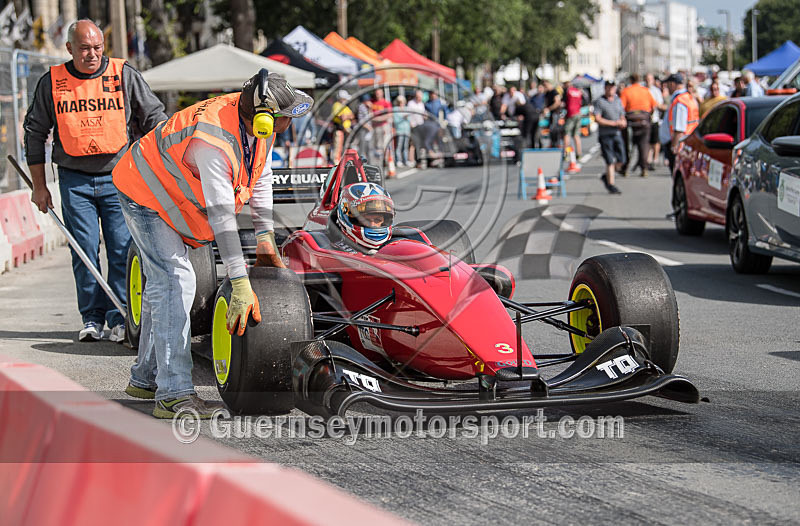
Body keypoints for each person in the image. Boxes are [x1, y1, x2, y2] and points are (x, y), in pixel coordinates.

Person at [112, 69, 313, 418]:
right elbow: (222, 219)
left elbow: (260, 175)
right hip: (144, 192)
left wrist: (265, 238)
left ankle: (144, 378)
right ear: (264, 118)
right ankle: (174, 394)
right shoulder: (214, 140)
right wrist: (239, 284)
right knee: (177, 281)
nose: (292, 121)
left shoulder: (257, 127)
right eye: (287, 115)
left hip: (171, 199)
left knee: (165, 286)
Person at [23, 19, 167, 343]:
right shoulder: (52, 83)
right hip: (75, 180)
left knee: (120, 249)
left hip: (119, 177)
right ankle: (91, 318)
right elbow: (35, 132)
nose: (92, 54)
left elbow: (155, 119)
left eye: (97, 47)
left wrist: (157, 166)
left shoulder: (123, 75)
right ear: (70, 48)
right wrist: (39, 185)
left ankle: (119, 315)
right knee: (84, 250)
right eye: (84, 48)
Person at [331, 182, 395, 254]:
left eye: (378, 220)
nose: (372, 224)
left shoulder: (397, 243)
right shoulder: (331, 249)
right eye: (365, 220)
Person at [619, 73, 657, 177]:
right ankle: (644, 168)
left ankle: (626, 167)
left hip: (631, 121)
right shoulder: (645, 91)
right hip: (644, 120)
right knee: (644, 145)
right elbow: (653, 106)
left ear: (630, 80)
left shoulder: (626, 91)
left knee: (628, 146)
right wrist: (649, 116)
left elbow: (621, 107)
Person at [664, 72, 699, 175]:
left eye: (668, 85)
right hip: (688, 143)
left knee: (678, 177)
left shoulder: (680, 101)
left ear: (672, 84)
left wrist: (674, 146)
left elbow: (679, 128)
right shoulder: (688, 98)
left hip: (680, 145)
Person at [593, 80, 625, 194]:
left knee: (622, 159)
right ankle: (611, 184)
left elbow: (622, 115)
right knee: (610, 160)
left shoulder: (618, 100)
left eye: (613, 87)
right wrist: (613, 123)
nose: (611, 90)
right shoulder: (599, 101)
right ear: (605, 88)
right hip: (605, 134)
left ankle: (606, 176)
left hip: (617, 133)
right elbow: (597, 118)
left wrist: (622, 122)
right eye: (609, 87)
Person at [646, 73, 665, 171]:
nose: (648, 81)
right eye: (647, 79)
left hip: (655, 118)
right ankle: (648, 159)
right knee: (648, 141)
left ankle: (655, 158)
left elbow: (660, 104)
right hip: (645, 119)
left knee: (655, 140)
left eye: (650, 79)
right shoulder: (643, 90)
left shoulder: (656, 91)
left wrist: (654, 105)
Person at [562, 79, 585, 159]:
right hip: (578, 113)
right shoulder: (578, 91)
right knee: (576, 135)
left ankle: (566, 154)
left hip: (571, 113)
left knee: (566, 134)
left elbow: (564, 103)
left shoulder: (568, 91)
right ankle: (579, 154)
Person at [331, 89, 354, 163]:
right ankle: (336, 164)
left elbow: (352, 116)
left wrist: (346, 116)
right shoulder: (337, 105)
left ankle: (343, 163)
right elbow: (341, 116)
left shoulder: (345, 107)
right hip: (339, 129)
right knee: (338, 148)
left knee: (344, 148)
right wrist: (347, 116)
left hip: (345, 131)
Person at [371, 88, 392, 164]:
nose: (377, 94)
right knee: (376, 145)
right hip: (374, 127)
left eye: (379, 93)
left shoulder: (386, 103)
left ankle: (385, 161)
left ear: (382, 93)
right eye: (376, 93)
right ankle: (377, 161)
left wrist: (378, 119)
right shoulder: (372, 102)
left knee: (384, 144)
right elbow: (370, 114)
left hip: (383, 126)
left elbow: (389, 114)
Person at [392, 95, 411, 167]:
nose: (401, 103)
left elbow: (409, 120)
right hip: (399, 130)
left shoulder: (406, 109)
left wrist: (406, 117)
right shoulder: (395, 109)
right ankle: (398, 160)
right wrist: (403, 117)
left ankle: (405, 160)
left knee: (405, 146)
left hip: (406, 130)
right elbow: (396, 121)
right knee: (399, 146)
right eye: (399, 102)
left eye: (402, 102)